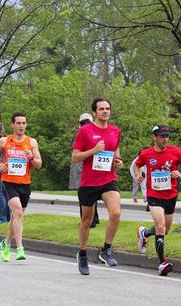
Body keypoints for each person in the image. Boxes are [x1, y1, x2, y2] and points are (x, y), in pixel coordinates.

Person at [133, 125, 181, 276]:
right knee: (160, 226)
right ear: (154, 137)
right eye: (162, 136)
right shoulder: (146, 153)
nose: (165, 139)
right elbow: (137, 165)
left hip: (171, 196)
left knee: (165, 229)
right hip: (154, 195)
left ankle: (144, 233)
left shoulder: (176, 151)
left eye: (167, 136)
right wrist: (138, 175)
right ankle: (162, 263)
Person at [72, 97, 123, 275]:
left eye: (107, 108)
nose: (105, 111)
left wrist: (118, 160)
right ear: (95, 112)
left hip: (108, 179)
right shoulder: (85, 131)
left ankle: (106, 249)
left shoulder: (115, 131)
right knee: (87, 221)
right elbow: (75, 157)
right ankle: (83, 253)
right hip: (89, 182)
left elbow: (115, 150)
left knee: (116, 213)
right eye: (101, 109)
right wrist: (93, 150)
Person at [0, 112, 42, 262]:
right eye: (18, 123)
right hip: (8, 182)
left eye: (24, 123)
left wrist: (31, 157)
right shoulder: (5, 141)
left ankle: (6, 243)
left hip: (25, 184)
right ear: (12, 125)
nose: (21, 126)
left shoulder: (32, 142)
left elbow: (39, 164)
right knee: (17, 212)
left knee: (16, 216)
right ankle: (19, 248)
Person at [69, 113, 99, 228]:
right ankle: (93, 219)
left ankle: (88, 220)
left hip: (87, 167)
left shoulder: (87, 134)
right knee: (90, 193)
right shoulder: (85, 134)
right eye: (83, 124)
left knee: (85, 193)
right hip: (83, 166)